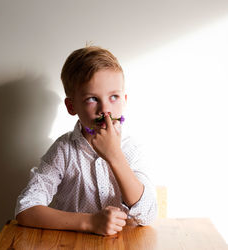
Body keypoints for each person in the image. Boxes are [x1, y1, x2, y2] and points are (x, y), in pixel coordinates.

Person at [15, 46, 157, 236]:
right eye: (92, 99)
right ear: (71, 106)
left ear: (124, 99)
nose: (105, 109)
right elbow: (25, 209)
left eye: (113, 97)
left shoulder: (132, 149)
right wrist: (89, 222)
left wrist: (115, 156)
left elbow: (147, 214)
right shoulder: (63, 150)